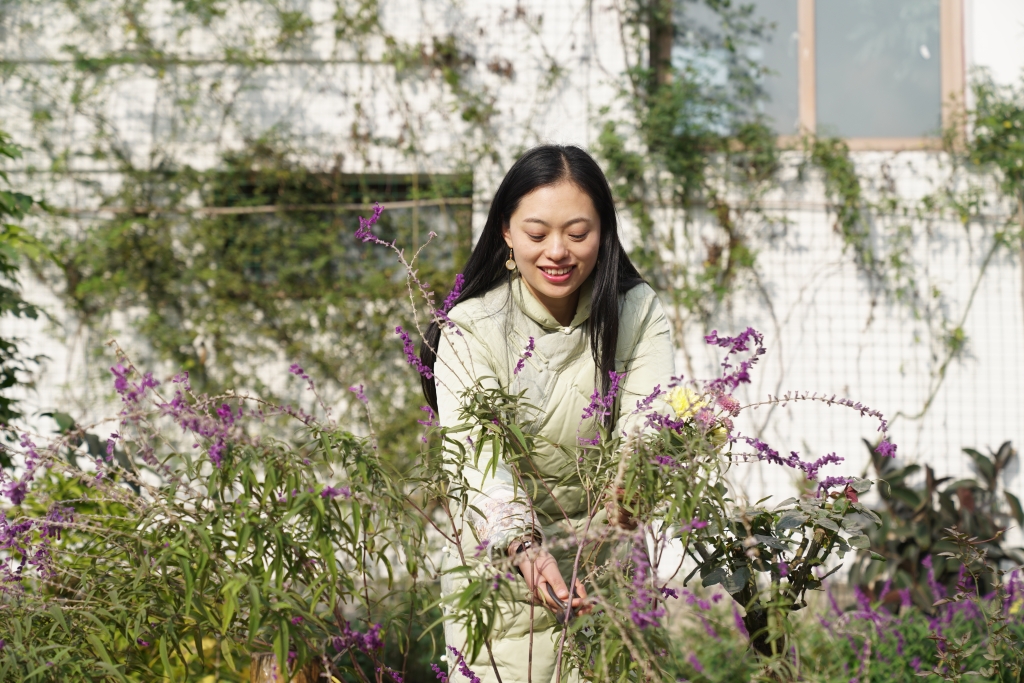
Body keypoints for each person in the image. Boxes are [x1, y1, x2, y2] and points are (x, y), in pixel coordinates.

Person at [420, 144, 674, 683]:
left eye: (577, 234)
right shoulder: (471, 327)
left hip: (607, 562)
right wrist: (525, 549)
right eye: (537, 234)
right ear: (507, 234)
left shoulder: (637, 311)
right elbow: (478, 459)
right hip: (501, 577)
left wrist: (632, 495)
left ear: (603, 233)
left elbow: (643, 428)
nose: (557, 251)